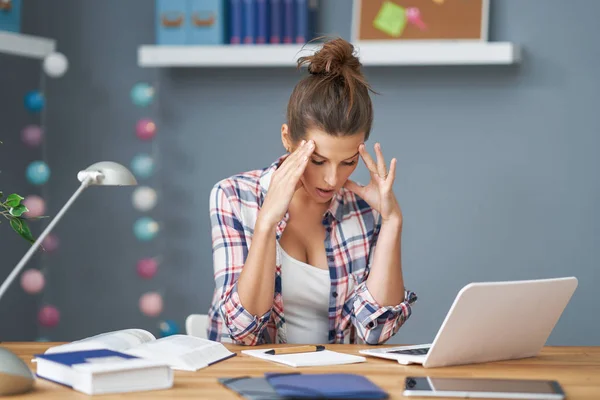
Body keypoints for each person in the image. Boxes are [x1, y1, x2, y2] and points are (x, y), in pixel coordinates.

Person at [207, 37, 417, 346]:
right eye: (317, 160)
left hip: (335, 382)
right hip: (246, 380)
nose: (332, 179)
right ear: (288, 139)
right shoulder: (233, 197)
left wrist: (391, 222)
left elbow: (377, 331)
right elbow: (243, 333)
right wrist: (266, 222)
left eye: (348, 162)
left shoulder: (362, 210)